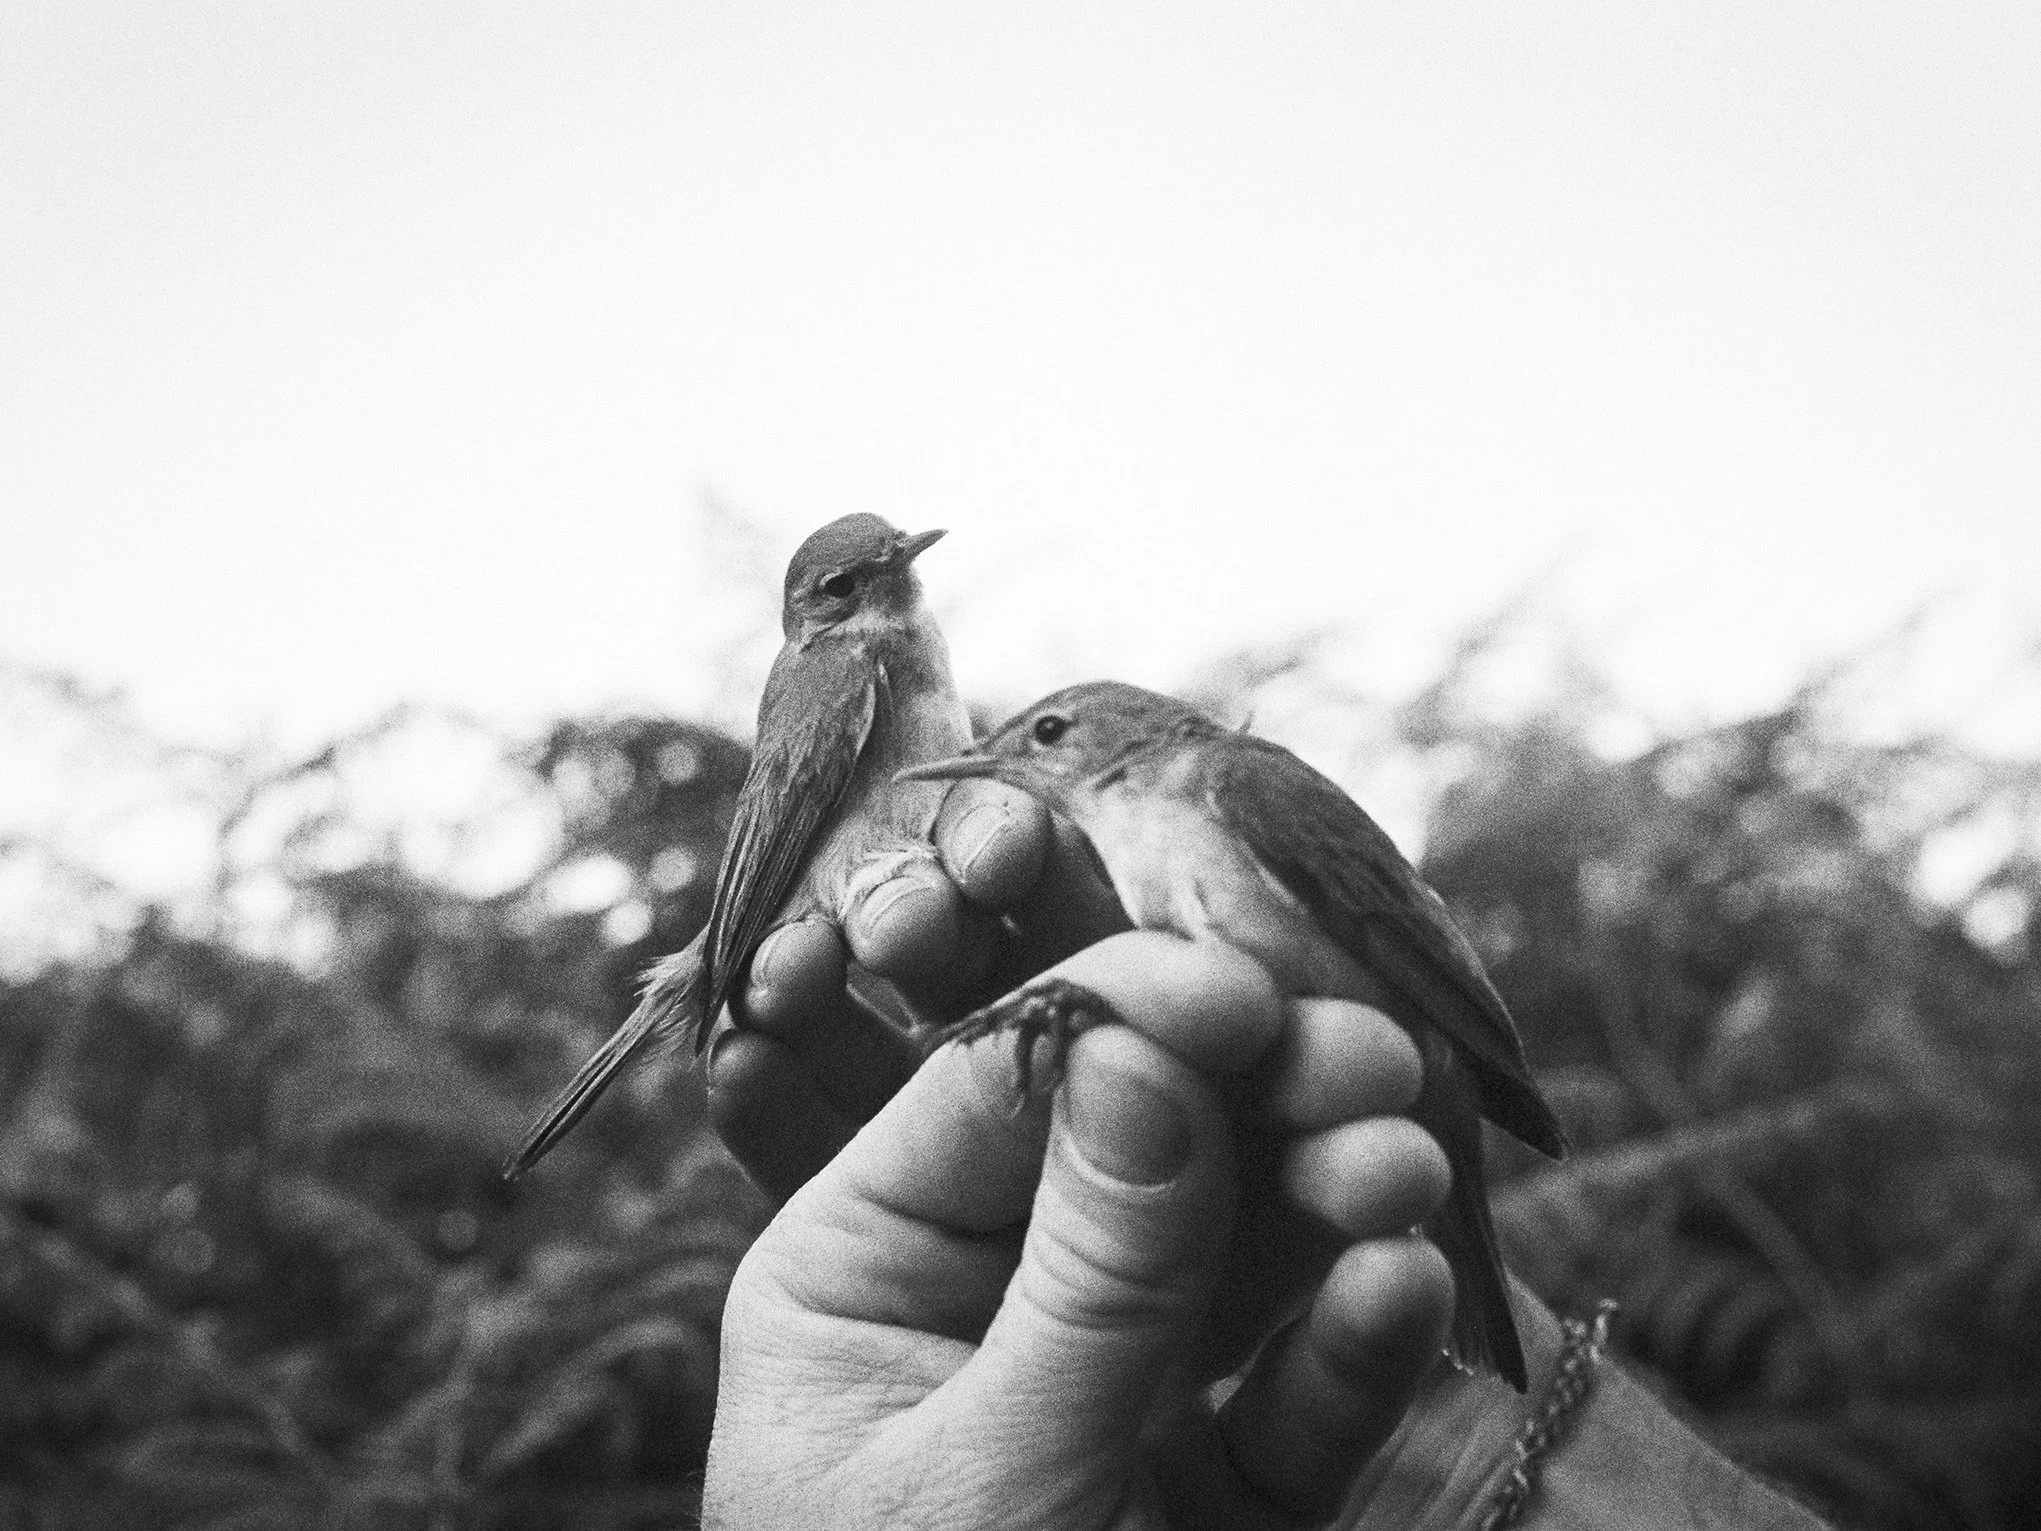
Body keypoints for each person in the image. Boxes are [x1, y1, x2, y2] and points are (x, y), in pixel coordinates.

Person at [696, 779, 1831, 1529]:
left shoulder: (1226, 790)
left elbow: (1388, 937)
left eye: (1043, 738)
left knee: (1201, 1036)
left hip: (1384, 1085)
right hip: (1328, 1181)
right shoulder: (1143, 852)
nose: (1009, 766)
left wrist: (1489, 1469)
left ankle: (1443, 1371)